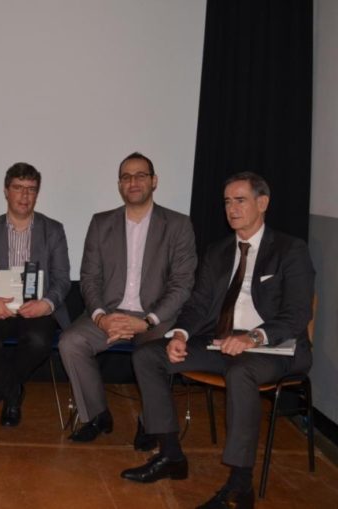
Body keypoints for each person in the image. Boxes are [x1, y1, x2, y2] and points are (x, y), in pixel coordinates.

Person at [121, 172, 315, 509]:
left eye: (240, 200)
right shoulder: (219, 251)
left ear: (262, 203)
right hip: (221, 344)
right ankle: (171, 455)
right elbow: (198, 304)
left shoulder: (290, 249)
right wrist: (180, 334)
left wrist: (252, 337)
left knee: (241, 371)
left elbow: (297, 314)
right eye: (227, 202)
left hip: (273, 349)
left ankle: (240, 486)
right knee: (148, 356)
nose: (231, 208)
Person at [59, 152, 196, 444]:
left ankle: (150, 422)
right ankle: (97, 415)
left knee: (152, 353)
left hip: (156, 316)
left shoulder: (178, 225)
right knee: (71, 342)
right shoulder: (101, 223)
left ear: (154, 181)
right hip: (110, 312)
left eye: (140, 175)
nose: (133, 182)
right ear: (119, 184)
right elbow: (90, 277)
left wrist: (148, 321)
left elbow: (182, 284)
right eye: (126, 177)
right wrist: (101, 318)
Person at [0, 162, 71, 427]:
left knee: (38, 341)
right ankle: (13, 394)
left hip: (37, 308)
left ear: (37, 193)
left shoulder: (53, 230)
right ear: (6, 191)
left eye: (31, 189)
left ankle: (1, 388)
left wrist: (46, 304)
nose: (24, 195)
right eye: (18, 188)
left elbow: (62, 279)